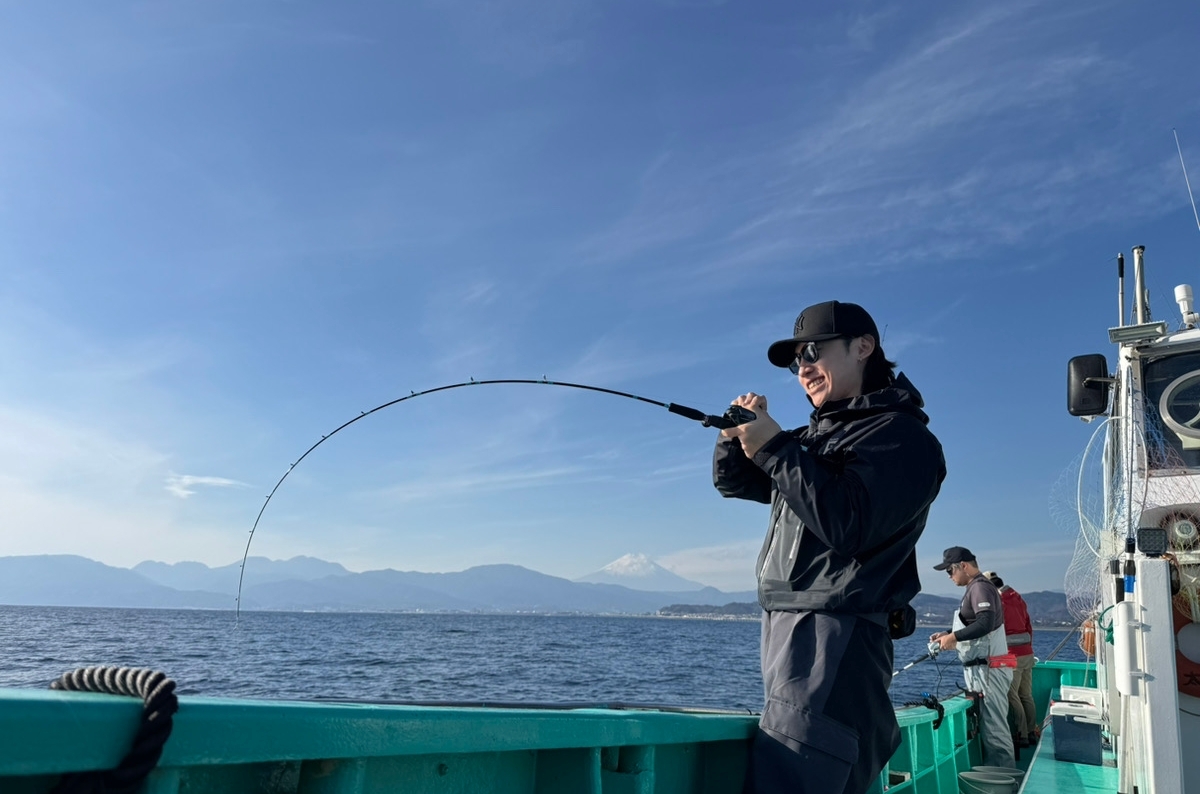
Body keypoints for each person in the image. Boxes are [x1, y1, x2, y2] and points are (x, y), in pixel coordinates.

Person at [713, 300, 946, 794]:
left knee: (803, 773)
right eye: (796, 361)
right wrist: (736, 437)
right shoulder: (812, 441)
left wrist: (775, 447)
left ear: (863, 347)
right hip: (787, 629)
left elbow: (850, 525)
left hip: (835, 633)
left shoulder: (902, 437)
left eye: (813, 351)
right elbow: (737, 484)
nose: (803, 368)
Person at [931, 548, 1016, 768]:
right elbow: (973, 623)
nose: (949, 576)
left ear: (964, 566)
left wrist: (955, 637)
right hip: (981, 672)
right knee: (990, 727)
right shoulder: (976, 588)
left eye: (950, 570)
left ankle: (1005, 781)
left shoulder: (979, 587)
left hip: (988, 671)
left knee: (995, 730)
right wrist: (947, 634)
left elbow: (985, 622)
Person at [985, 570, 1038, 748]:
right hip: (1027, 653)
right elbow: (1028, 625)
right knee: (1026, 695)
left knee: (1011, 695)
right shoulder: (1018, 599)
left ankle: (1022, 734)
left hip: (1012, 655)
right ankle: (1031, 732)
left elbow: (995, 628)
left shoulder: (998, 601)